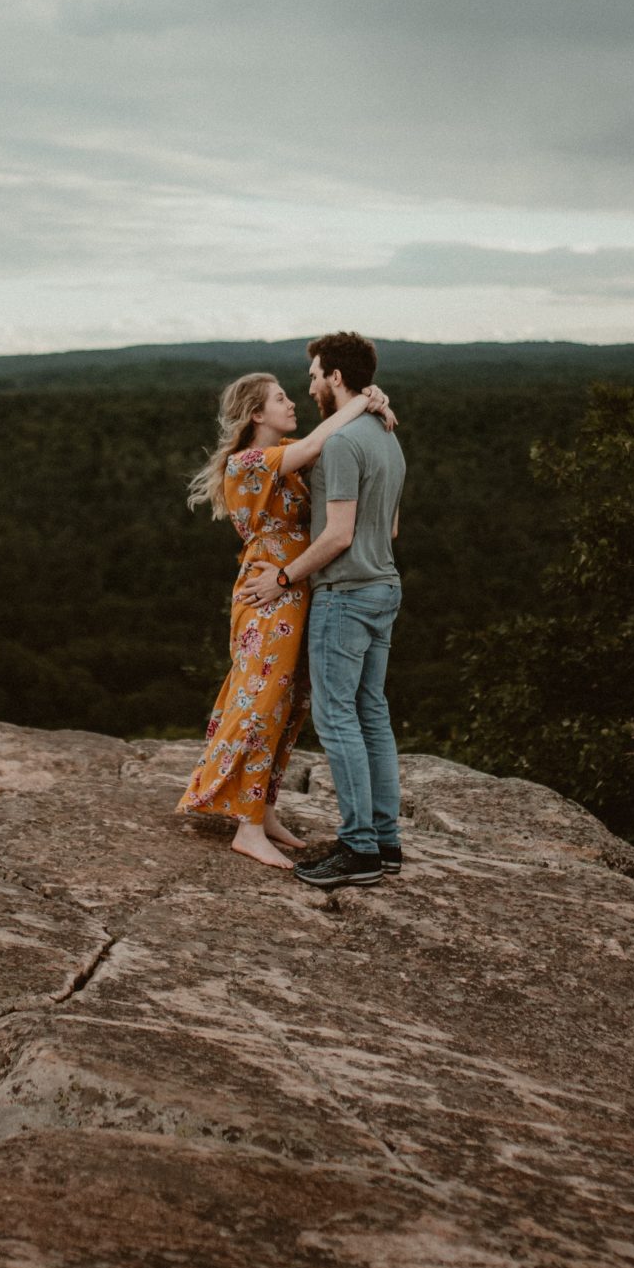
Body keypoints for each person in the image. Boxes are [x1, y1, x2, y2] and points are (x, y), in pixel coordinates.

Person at [177, 369, 395, 868]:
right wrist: (365, 399)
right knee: (261, 701)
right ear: (257, 413)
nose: (292, 402)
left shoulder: (290, 454)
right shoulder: (249, 462)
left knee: (291, 704)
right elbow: (326, 436)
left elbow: (335, 444)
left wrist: (372, 400)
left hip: (297, 589)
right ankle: (247, 828)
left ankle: (264, 809)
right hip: (269, 597)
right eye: (280, 398)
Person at [238, 332, 407, 891]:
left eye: (313, 375)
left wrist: (283, 577)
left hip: (345, 594)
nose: (309, 385)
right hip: (385, 586)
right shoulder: (388, 436)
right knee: (373, 716)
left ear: (336, 377)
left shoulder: (340, 445)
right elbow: (392, 528)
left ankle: (359, 849)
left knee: (338, 720)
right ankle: (386, 843)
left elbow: (337, 535)